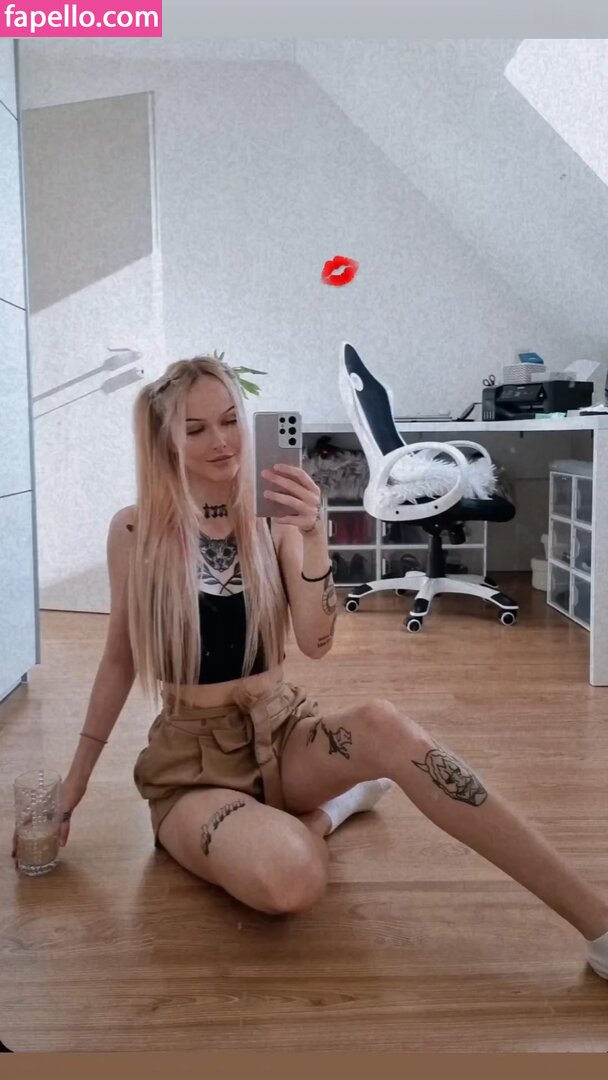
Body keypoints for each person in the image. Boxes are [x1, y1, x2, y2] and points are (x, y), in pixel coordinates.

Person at [16, 353, 608, 981]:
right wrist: (75, 782)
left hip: (281, 732)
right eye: (195, 429)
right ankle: (331, 811)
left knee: (386, 725)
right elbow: (118, 658)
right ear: (166, 442)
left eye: (230, 421)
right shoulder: (136, 530)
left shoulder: (271, 517)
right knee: (292, 877)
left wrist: (314, 536)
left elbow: (317, 642)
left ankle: (599, 923)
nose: (222, 441)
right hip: (192, 768)